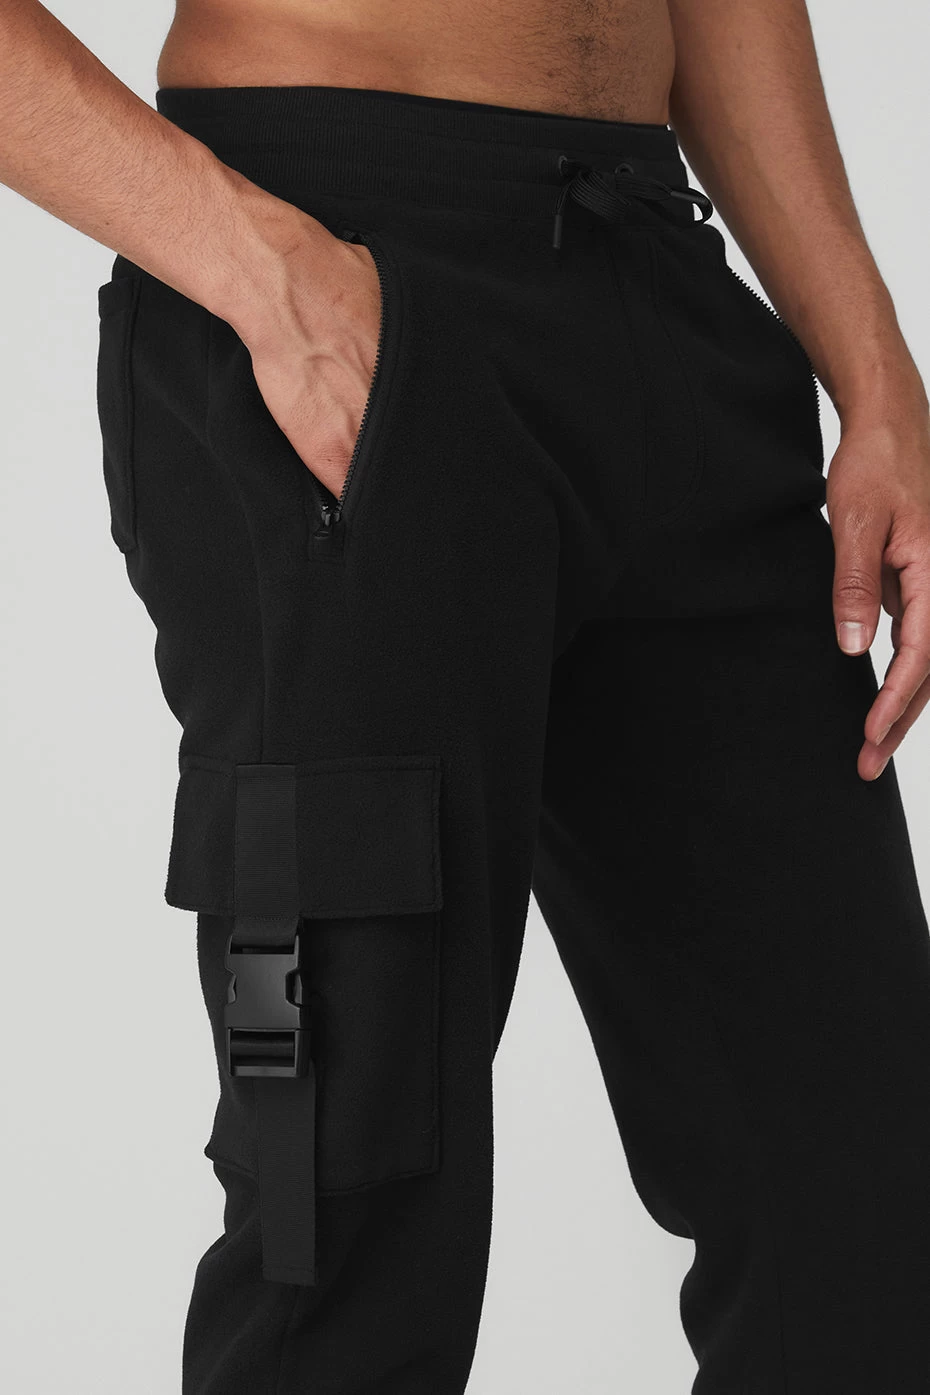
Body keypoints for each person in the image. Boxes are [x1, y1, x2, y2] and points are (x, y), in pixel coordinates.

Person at [3, 0, 930, 1389]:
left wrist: (875, 373)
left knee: (860, 1207)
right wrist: (264, 272)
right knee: (347, 1217)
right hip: (343, 270)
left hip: (660, 275)